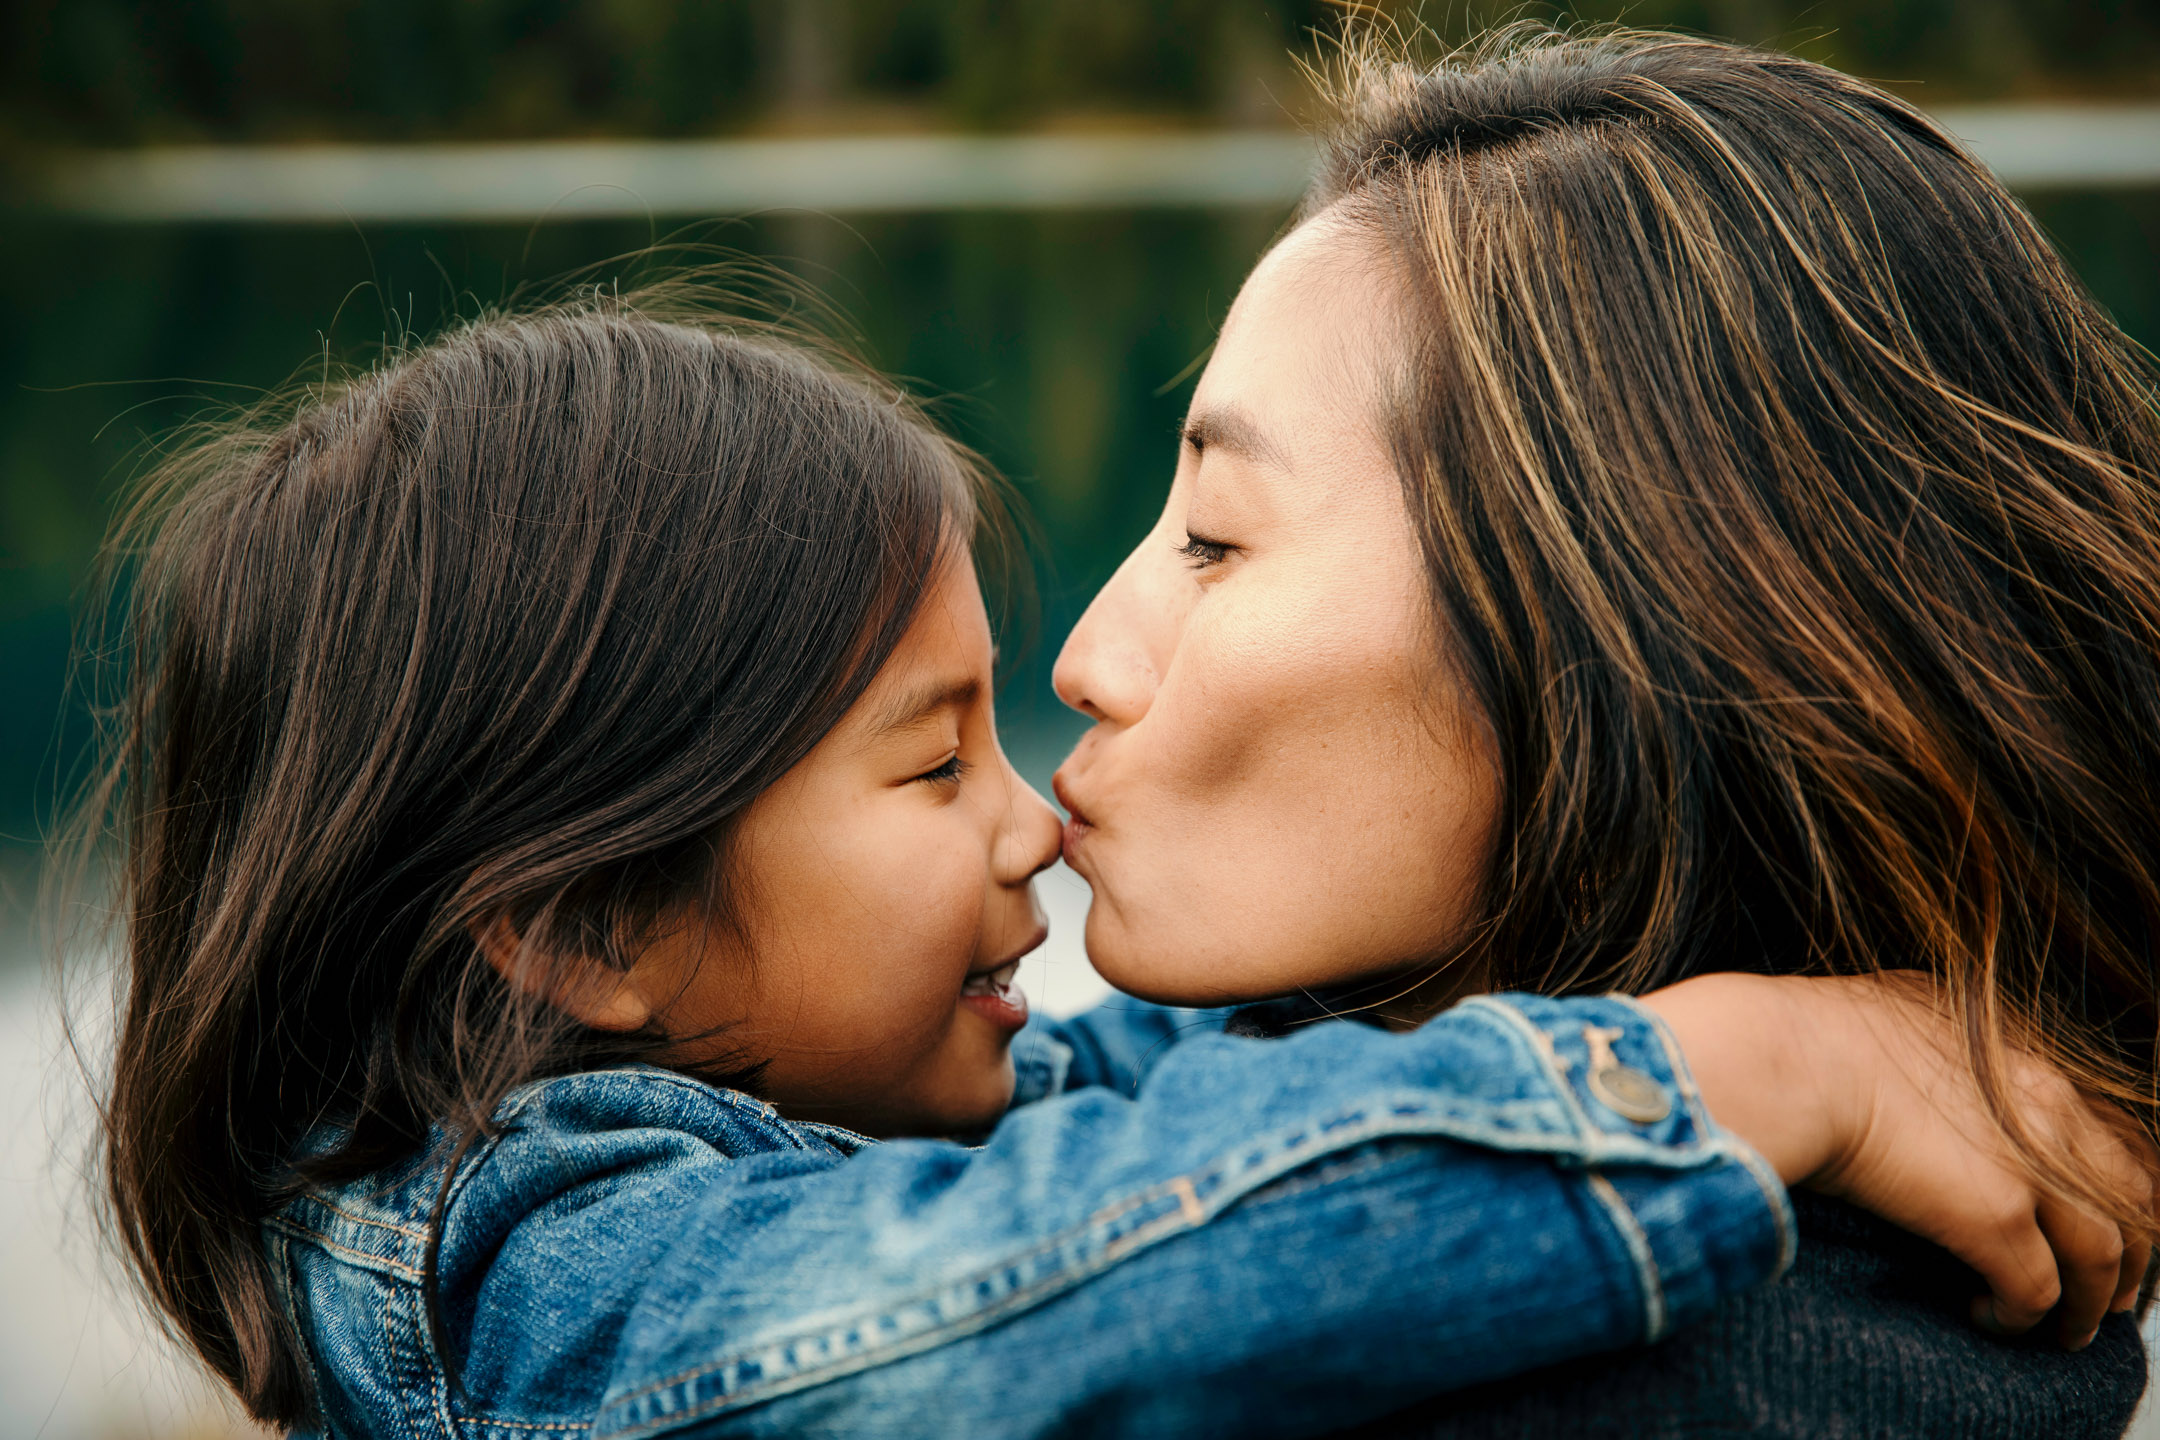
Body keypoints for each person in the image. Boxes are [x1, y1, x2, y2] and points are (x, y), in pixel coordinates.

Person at [84, 298, 2140, 1439]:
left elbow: (1184, 1133)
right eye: (933, 764)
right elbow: (1046, 1290)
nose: (1037, 816)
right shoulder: (550, 1268)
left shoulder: (749, 1105)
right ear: (589, 923)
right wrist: (1738, 1074)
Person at [1049, 26, 2160, 1437]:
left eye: (1214, 539)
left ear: (1631, 632)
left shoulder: (1657, 1383)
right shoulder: (1253, 1087)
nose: (1087, 660)